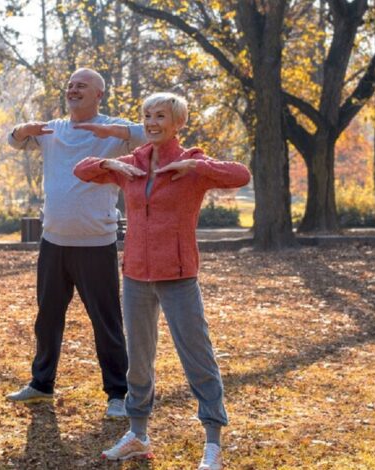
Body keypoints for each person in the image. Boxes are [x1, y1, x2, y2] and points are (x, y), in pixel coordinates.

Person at [74, 92, 251, 469]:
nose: (152, 122)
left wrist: (196, 169)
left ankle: (213, 443)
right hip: (136, 275)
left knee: (198, 358)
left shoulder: (192, 164)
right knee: (138, 361)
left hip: (178, 276)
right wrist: (110, 163)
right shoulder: (132, 164)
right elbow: (83, 170)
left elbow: (240, 174)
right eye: (148, 115)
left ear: (177, 123)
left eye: (161, 116)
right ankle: (138, 434)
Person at [5, 68, 147, 418]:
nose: (73, 89)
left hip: (96, 243)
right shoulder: (54, 129)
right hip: (53, 240)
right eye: (70, 85)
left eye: (81, 85)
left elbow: (152, 134)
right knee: (47, 318)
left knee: (107, 322)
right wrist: (23, 130)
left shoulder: (115, 129)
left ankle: (118, 394)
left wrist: (111, 131)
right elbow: (13, 140)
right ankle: (41, 384)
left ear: (99, 94)